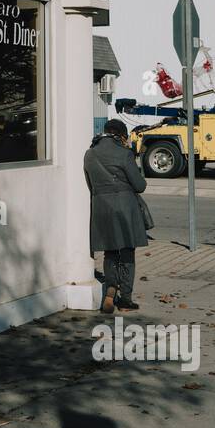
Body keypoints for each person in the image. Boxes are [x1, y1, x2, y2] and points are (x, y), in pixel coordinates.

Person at [84, 119, 149, 313]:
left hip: (101, 206)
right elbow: (140, 186)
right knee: (127, 251)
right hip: (125, 207)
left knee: (110, 250)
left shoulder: (89, 154)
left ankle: (110, 290)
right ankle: (126, 299)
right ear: (121, 136)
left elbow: (90, 184)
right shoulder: (124, 154)